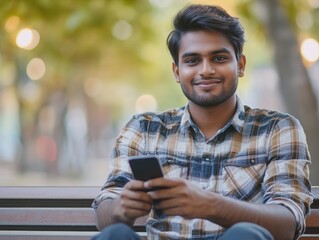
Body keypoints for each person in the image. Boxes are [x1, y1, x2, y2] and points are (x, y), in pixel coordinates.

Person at [92, 4, 313, 240]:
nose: (206, 70)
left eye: (218, 58)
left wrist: (211, 206)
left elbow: (288, 224)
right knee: (115, 233)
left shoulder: (278, 129)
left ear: (240, 65)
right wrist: (121, 207)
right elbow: (104, 215)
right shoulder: (144, 129)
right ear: (177, 72)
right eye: (192, 61)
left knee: (245, 235)